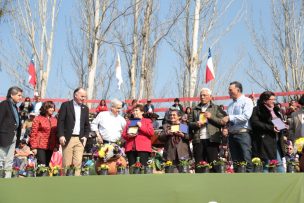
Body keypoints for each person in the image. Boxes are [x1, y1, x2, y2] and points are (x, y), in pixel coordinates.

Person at [188, 88, 227, 172]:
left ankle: (214, 184)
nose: (202, 97)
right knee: (199, 165)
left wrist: (211, 117)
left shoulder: (216, 108)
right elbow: (189, 124)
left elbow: (223, 121)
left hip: (212, 140)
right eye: (201, 95)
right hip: (198, 140)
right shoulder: (194, 109)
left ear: (210, 97)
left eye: (204, 95)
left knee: (213, 165)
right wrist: (196, 124)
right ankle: (199, 184)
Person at [57, 87, 90, 176]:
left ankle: (77, 184)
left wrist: (86, 136)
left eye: (85, 97)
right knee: (66, 163)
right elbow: (60, 122)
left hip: (80, 139)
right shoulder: (65, 105)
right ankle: (64, 184)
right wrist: (61, 135)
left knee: (78, 163)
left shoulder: (85, 108)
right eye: (82, 96)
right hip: (68, 138)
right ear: (76, 95)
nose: (84, 98)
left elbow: (87, 125)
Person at [250, 91, 286, 173]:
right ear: (265, 100)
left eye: (275, 99)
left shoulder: (276, 110)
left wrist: (281, 124)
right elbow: (255, 123)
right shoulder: (257, 110)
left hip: (276, 141)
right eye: (272, 99)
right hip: (264, 142)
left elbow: (279, 125)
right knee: (266, 164)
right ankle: (264, 184)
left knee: (279, 163)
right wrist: (271, 127)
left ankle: (284, 182)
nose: (274, 101)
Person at [221, 81, 254, 172]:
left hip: (243, 134)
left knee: (246, 158)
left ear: (238, 90)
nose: (229, 92)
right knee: (235, 161)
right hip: (231, 135)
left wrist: (229, 117)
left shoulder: (247, 101)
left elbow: (246, 116)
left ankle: (250, 182)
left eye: (230, 90)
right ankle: (238, 181)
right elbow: (229, 120)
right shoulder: (230, 105)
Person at [0, 86, 23, 178]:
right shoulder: (4, 104)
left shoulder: (15, 107)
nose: (20, 97)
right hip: (3, 136)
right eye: (19, 95)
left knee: (9, 160)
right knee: (1, 158)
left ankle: (8, 179)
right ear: (11, 95)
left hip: (13, 136)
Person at [29, 101, 58, 166]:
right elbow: (33, 133)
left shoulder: (54, 120)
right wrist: (33, 147)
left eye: (53, 108)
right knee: (42, 164)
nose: (52, 109)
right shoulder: (38, 118)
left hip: (51, 146)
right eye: (50, 107)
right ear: (45, 108)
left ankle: (45, 175)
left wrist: (56, 145)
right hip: (40, 146)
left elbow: (56, 134)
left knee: (47, 165)